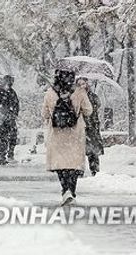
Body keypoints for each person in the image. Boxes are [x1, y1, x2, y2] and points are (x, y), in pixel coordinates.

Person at [42, 70, 92, 206]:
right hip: (75, 134)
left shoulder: (50, 92)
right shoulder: (80, 92)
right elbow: (88, 111)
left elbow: (45, 114)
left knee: (61, 164)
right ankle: (71, 191)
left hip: (57, 134)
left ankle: (65, 190)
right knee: (73, 165)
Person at [79, 78, 104, 176]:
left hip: (91, 126)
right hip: (80, 126)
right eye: (79, 84)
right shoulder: (75, 97)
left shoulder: (92, 96)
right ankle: (79, 171)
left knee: (93, 151)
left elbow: (97, 105)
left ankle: (95, 171)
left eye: (83, 84)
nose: (82, 86)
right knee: (79, 151)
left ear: (87, 85)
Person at [3, 75, 20, 162]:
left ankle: (5, 154)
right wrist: (14, 113)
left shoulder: (8, 92)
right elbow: (16, 104)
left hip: (6, 118)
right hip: (8, 118)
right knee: (11, 136)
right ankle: (8, 153)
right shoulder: (11, 92)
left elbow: (16, 104)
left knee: (7, 136)